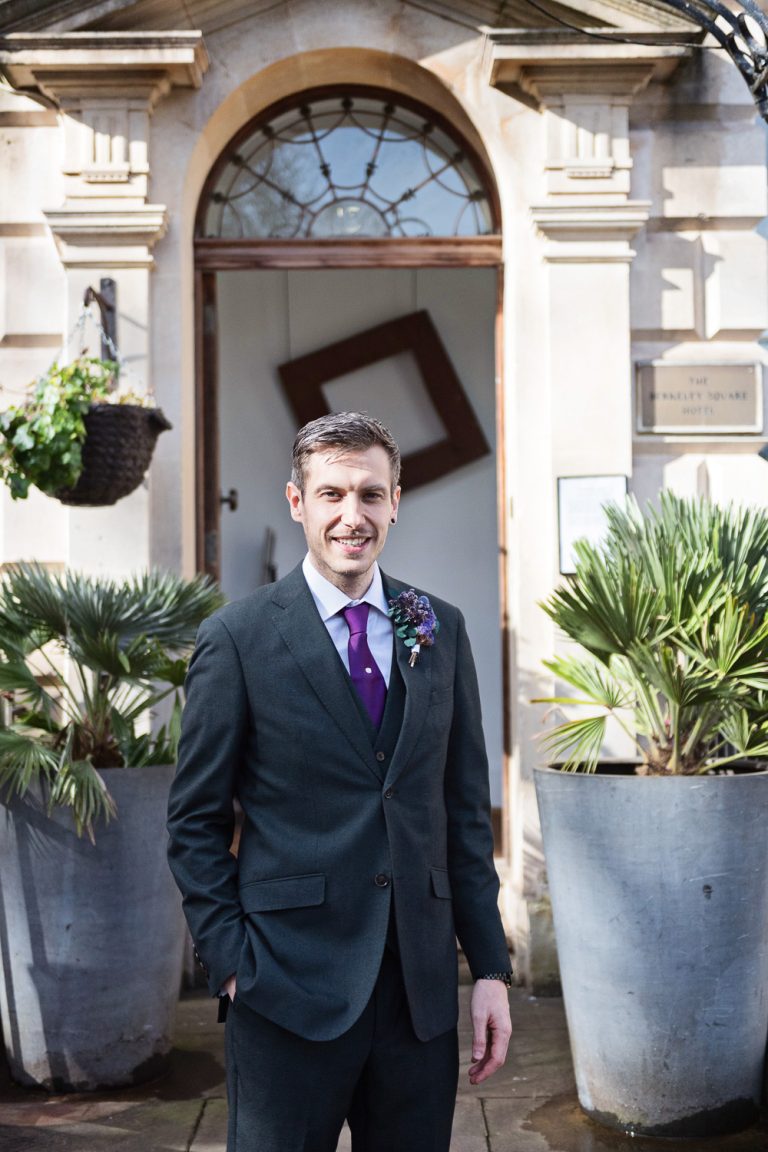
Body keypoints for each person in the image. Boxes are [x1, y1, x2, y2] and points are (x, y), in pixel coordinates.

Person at [167, 411, 512, 1152]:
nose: (351, 517)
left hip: (417, 999)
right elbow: (193, 821)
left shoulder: (438, 629)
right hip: (284, 989)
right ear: (297, 502)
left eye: (369, 494)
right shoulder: (238, 638)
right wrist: (230, 964)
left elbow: (463, 816)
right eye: (331, 495)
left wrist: (489, 969)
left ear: (396, 500)